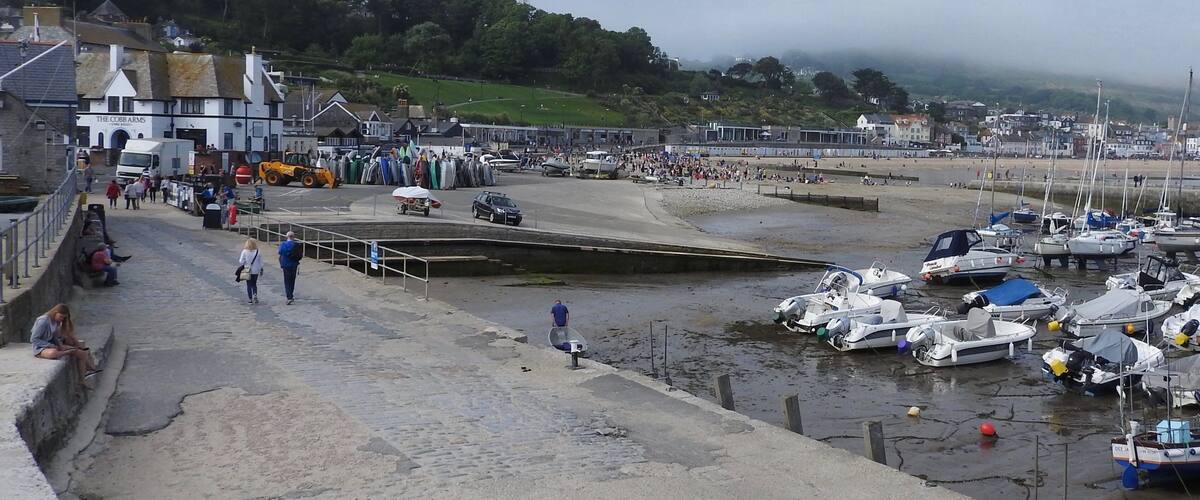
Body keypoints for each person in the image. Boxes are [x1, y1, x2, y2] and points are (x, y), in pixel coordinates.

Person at [31, 304, 100, 385]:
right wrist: (49, 345)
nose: (62, 319)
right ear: (55, 312)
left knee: (81, 353)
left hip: (53, 344)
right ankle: (68, 353)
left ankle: (82, 379)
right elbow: (34, 339)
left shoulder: (56, 321)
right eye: (61, 316)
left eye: (63, 317)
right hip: (40, 347)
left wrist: (59, 344)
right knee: (53, 352)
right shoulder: (43, 321)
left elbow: (54, 336)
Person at [278, 231, 300, 305]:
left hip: (286, 264)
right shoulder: (296, 245)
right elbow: (300, 255)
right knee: (292, 280)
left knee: (287, 281)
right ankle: (291, 294)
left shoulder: (283, 244)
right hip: (294, 264)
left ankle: (289, 297)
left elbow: (280, 252)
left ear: (286, 237)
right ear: (293, 237)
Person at [238, 238, 263, 304]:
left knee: (248, 284)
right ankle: (255, 294)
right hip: (255, 270)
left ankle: (250, 299)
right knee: (254, 284)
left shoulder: (244, 251)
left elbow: (241, 261)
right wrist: (261, 269)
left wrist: (245, 262)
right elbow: (260, 262)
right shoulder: (258, 251)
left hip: (247, 269)